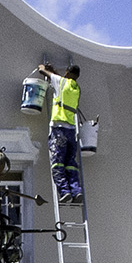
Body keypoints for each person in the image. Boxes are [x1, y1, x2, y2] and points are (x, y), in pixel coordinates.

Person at [48, 65, 84, 202]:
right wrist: (55, 72)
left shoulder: (61, 82)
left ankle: (64, 191)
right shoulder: (76, 88)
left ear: (67, 72)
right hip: (71, 132)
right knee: (70, 163)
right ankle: (76, 191)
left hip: (59, 130)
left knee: (58, 163)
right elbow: (61, 80)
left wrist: (44, 68)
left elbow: (43, 71)